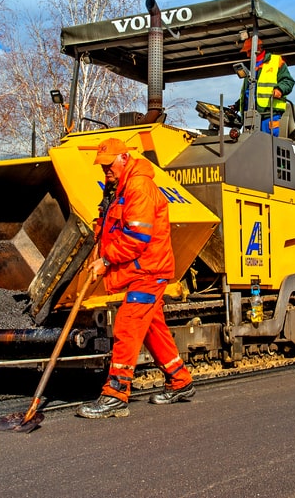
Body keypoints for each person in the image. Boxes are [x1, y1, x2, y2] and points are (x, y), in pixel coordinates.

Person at [77, 137, 195, 418]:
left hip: (149, 270)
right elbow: (107, 227)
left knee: (128, 325)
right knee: (152, 327)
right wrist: (98, 254)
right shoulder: (118, 188)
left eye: (109, 165)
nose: (105, 170)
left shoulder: (139, 187)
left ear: (124, 158)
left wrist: (106, 260)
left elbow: (137, 238)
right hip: (139, 270)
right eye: (102, 166)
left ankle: (116, 394)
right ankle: (180, 381)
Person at [231, 35, 295, 136]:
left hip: (269, 114)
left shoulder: (275, 61)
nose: (247, 55)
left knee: (268, 146)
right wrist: (237, 105)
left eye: (249, 51)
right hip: (251, 118)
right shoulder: (250, 68)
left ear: (258, 49)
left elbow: (288, 81)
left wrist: (280, 89)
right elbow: (249, 91)